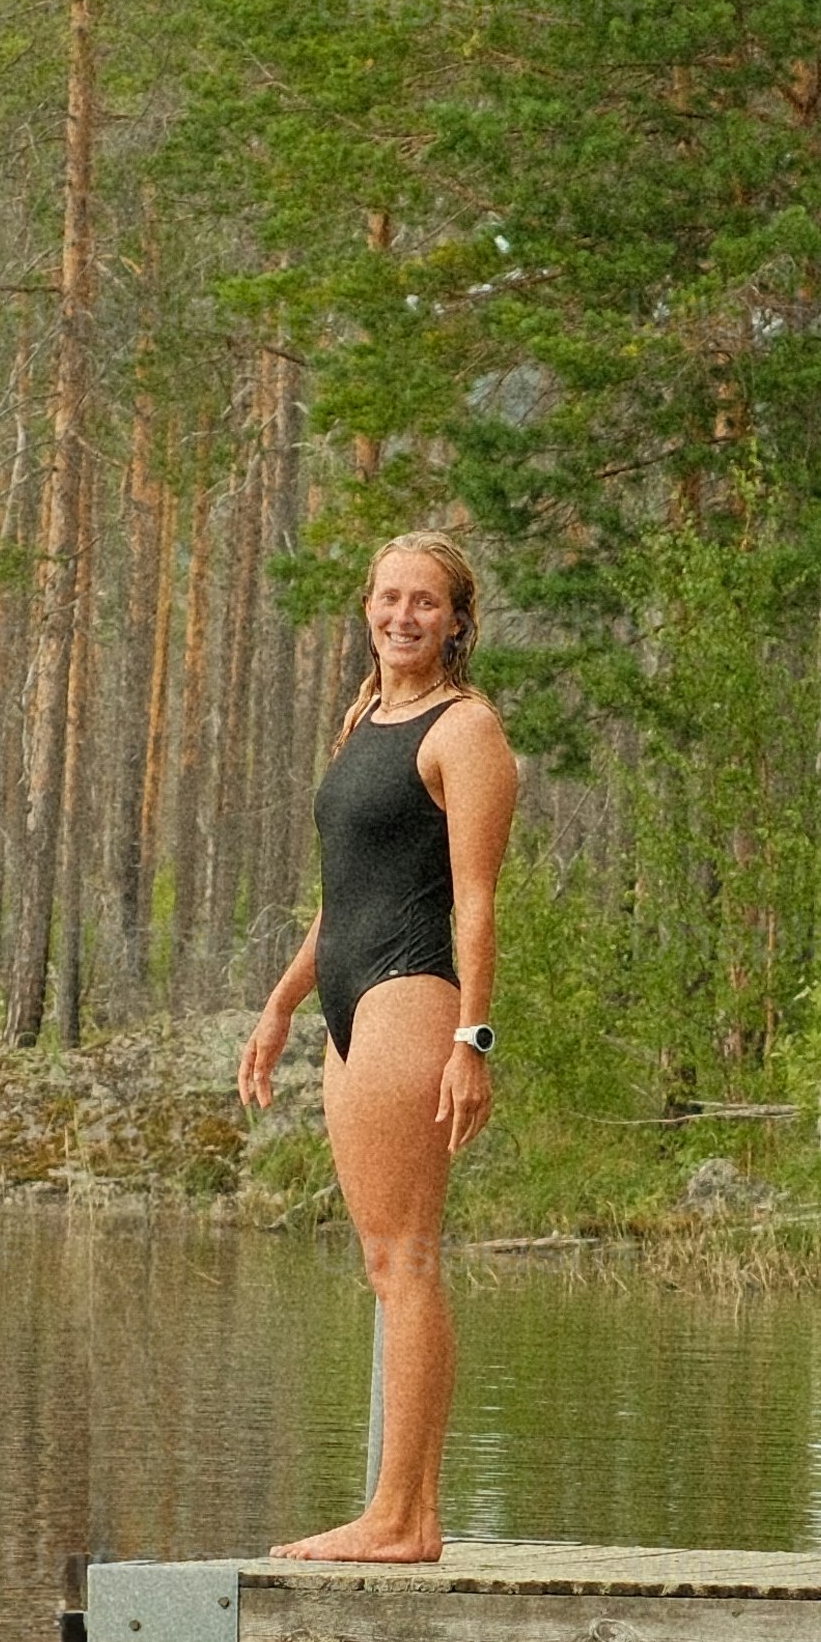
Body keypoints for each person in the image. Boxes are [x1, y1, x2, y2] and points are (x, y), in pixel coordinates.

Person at [239, 529, 518, 1563]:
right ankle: (393, 1510)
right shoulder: (367, 716)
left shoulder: (466, 730)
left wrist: (471, 1040)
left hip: (411, 995)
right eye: (388, 597)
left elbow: (479, 900)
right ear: (368, 608)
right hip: (345, 998)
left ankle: (407, 1517)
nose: (403, 614)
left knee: (408, 1260)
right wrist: (279, 1005)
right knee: (380, 1259)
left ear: (458, 620)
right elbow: (341, 895)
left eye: (425, 601)